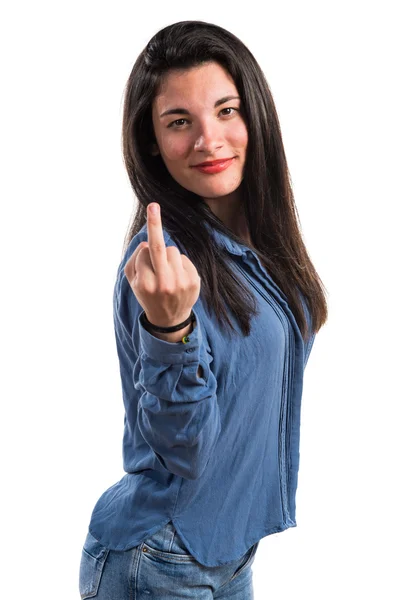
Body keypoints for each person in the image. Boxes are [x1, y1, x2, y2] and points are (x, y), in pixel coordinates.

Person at [78, 20, 327, 600]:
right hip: (160, 557)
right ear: (152, 143)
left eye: (226, 111)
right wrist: (171, 331)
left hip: (229, 553)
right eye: (178, 122)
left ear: (254, 115)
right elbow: (183, 448)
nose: (208, 140)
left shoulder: (258, 242)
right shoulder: (160, 268)